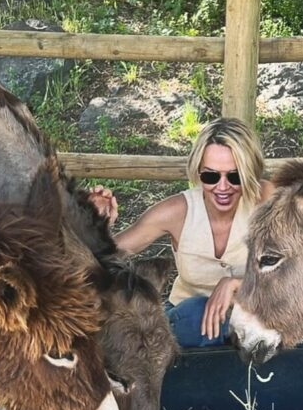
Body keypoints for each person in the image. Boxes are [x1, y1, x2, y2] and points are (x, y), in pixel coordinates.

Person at [109, 118, 275, 347]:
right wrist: (97, 221)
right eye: (211, 176)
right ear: (198, 171)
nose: (223, 187)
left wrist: (237, 283)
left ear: (250, 172)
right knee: (198, 312)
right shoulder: (176, 212)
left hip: (254, 317)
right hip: (190, 324)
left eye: (235, 176)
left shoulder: (269, 200)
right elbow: (104, 255)